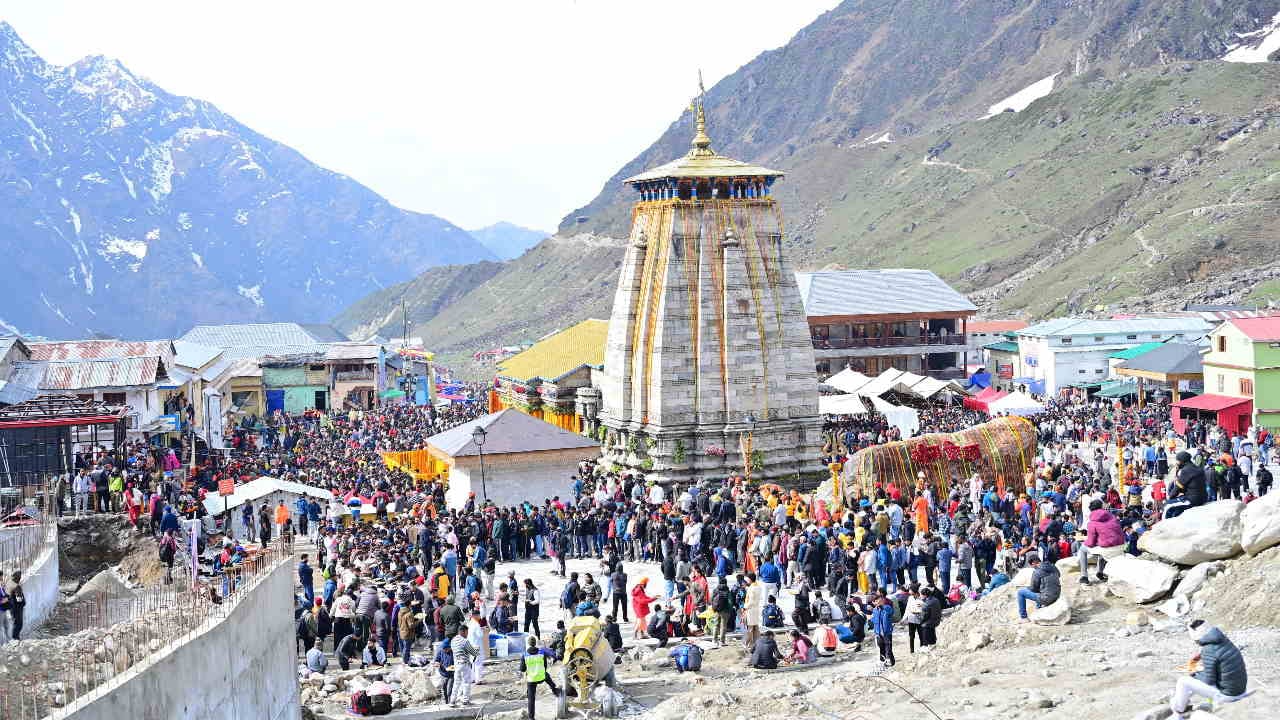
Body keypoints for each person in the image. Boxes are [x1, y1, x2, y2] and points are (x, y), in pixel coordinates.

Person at [1171, 620, 1249, 719]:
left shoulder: (1208, 649)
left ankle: (1179, 711)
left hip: (1229, 696)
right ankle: (1184, 702)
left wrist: (1194, 673)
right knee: (1196, 677)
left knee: (1183, 681)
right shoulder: (1224, 640)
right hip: (1241, 690)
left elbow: (1209, 680)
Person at [1078, 500, 1123, 584]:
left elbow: (1090, 543)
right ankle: (1100, 572)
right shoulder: (1112, 517)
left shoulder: (1092, 522)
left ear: (1091, 510)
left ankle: (1084, 576)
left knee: (1082, 549)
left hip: (1108, 550)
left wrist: (1085, 542)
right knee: (1102, 544)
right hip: (1120, 548)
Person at [520, 637, 561, 719]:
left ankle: (531, 718)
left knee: (531, 699)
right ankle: (554, 689)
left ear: (528, 644)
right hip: (542, 677)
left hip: (531, 680)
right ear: (535, 643)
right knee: (547, 676)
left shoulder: (524, 655)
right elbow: (545, 666)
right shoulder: (542, 652)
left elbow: (522, 669)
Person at [1017, 555, 1060, 620]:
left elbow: (1033, 589)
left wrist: (1027, 587)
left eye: (1031, 565)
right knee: (1042, 587)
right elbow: (1059, 575)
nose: (1033, 567)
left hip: (1047, 598)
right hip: (1057, 596)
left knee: (1020, 592)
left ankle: (1024, 618)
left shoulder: (1037, 571)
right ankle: (1039, 607)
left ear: (1033, 563)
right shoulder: (1053, 566)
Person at [449, 626, 477, 706]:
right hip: (464, 664)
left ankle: (452, 701)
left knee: (456, 683)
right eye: (467, 632)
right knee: (466, 683)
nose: (467, 635)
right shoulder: (465, 641)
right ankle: (465, 700)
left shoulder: (453, 641)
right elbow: (473, 653)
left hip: (457, 665)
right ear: (463, 632)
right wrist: (476, 650)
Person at [872, 594, 895, 667]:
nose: (878, 602)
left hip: (886, 632)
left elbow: (891, 613)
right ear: (874, 602)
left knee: (888, 648)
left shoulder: (887, 608)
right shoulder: (875, 610)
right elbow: (874, 621)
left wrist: (883, 607)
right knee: (881, 648)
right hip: (878, 633)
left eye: (880, 600)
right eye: (876, 601)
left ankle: (892, 662)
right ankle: (883, 662)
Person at [5, 571, 25, 642]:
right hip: (17, 608)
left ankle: (15, 638)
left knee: (15, 623)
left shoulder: (9, 583)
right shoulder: (16, 586)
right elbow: (19, 599)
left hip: (11, 607)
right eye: (19, 577)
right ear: (18, 578)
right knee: (19, 624)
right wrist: (21, 596)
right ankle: (15, 638)